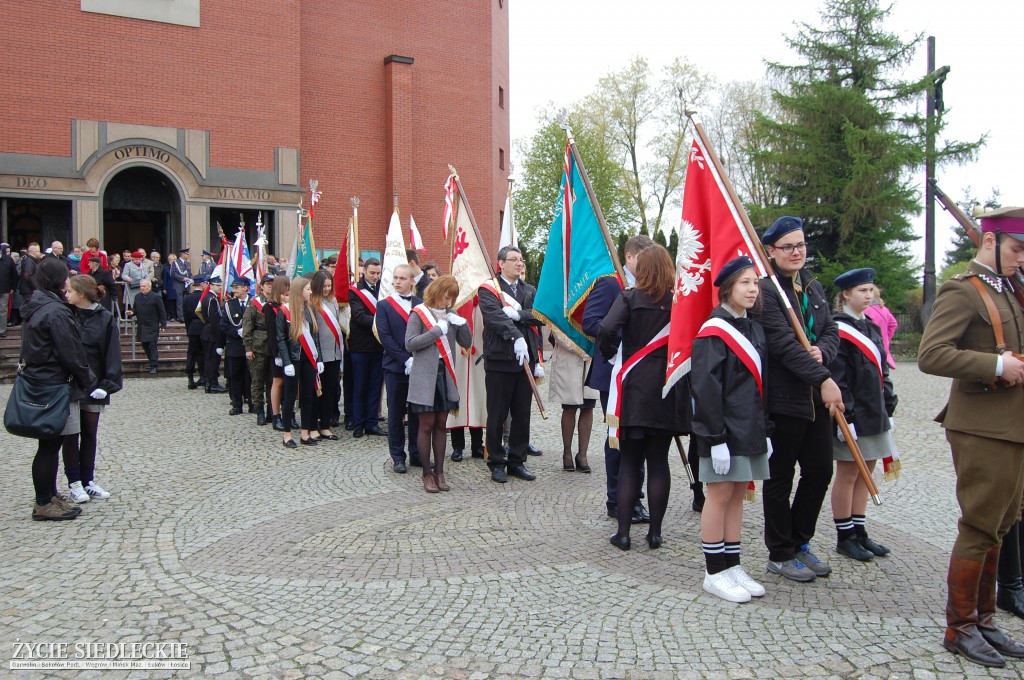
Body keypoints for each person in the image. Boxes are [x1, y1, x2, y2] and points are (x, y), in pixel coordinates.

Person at [918, 206, 1024, 668]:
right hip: (982, 427)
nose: (1021, 258)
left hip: (1013, 426)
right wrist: (996, 365)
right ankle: (959, 626)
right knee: (979, 527)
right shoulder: (963, 291)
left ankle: (983, 619)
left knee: (1001, 525)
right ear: (990, 242)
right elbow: (931, 354)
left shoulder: (1010, 290)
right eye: (1016, 248)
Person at [750, 216, 844, 583]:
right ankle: (780, 551)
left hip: (816, 399)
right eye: (788, 247)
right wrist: (821, 375)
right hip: (784, 399)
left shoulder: (812, 286)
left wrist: (823, 352)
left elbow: (833, 328)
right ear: (771, 251)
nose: (797, 252)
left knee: (821, 470)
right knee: (779, 477)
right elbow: (782, 345)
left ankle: (800, 540)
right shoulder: (766, 291)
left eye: (801, 245)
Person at [598, 245, 691, 551]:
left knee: (629, 462)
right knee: (659, 462)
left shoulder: (629, 297)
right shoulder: (678, 302)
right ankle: (655, 533)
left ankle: (623, 534)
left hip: (635, 389)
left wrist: (610, 353)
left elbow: (607, 327)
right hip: (666, 389)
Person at [691, 256, 772, 602]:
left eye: (755, 283)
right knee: (720, 494)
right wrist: (714, 439)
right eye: (745, 283)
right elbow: (706, 389)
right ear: (727, 289)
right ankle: (714, 570)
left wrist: (765, 430)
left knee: (738, 494)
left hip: (750, 427)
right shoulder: (714, 331)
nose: (753, 289)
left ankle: (732, 563)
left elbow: (758, 385)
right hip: (722, 431)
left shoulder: (753, 326)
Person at [581, 235, 655, 523]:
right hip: (613, 372)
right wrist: (628, 335)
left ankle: (635, 496)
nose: (648, 265)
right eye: (644, 259)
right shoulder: (610, 283)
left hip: (641, 374)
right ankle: (617, 499)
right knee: (619, 437)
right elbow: (591, 322)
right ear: (629, 257)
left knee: (639, 437)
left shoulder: (648, 287)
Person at [828, 268, 899, 562]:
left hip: (875, 411)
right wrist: (849, 417)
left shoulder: (870, 326)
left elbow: (882, 369)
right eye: (862, 291)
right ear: (846, 294)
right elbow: (839, 377)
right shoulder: (838, 328)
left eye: (871, 290)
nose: (869, 296)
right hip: (853, 415)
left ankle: (860, 530)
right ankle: (845, 536)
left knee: (866, 472)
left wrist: (889, 405)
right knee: (848, 474)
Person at [22, 257, 98, 520]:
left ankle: (49, 495)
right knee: (49, 443)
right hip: (53, 383)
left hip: (42, 379)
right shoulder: (55, 310)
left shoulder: (39, 305)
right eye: (65, 276)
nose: (68, 281)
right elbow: (70, 351)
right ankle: (43, 502)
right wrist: (87, 379)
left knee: (50, 443)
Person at [479, 246, 543, 483]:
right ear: (501, 263)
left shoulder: (529, 289)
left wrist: (520, 316)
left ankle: (517, 460)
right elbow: (494, 317)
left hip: (524, 361)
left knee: (521, 414)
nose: (519, 263)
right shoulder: (490, 289)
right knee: (497, 414)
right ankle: (496, 461)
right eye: (514, 259)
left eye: (521, 260)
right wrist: (515, 336)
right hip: (499, 359)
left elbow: (539, 314)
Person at [406, 275, 473, 492]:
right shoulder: (419, 313)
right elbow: (410, 344)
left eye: (451, 299)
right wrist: (436, 331)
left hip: (445, 375)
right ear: (436, 292)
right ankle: (427, 474)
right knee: (426, 425)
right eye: (445, 298)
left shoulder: (451, 314)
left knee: (441, 426)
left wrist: (462, 325)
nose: (447, 303)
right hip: (425, 376)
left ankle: (440, 472)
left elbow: (467, 343)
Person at [61, 275, 122, 503]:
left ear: (82, 293)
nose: (66, 294)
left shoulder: (105, 318)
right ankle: (74, 482)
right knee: (70, 434)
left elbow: (112, 353)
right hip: (70, 383)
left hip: (94, 384)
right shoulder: (66, 314)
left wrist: (108, 385)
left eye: (69, 291)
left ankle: (88, 480)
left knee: (89, 433)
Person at [375, 264, 422, 472]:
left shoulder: (420, 304)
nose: (397, 282)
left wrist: (416, 360)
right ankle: (398, 456)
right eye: (395, 278)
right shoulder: (385, 305)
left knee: (416, 413)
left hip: (418, 368)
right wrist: (405, 359)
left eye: (402, 278)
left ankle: (417, 453)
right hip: (395, 368)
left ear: (411, 281)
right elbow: (385, 337)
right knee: (395, 414)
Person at [277, 277, 323, 447]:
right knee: (289, 396)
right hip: (293, 358)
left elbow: (315, 336)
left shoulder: (309, 310)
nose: (311, 292)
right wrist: (286, 362)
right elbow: (280, 339)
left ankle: (305, 432)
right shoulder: (284, 311)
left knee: (308, 395)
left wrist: (318, 359)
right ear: (299, 291)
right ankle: (287, 434)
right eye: (308, 289)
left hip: (309, 358)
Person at [547, 332, 597, 473]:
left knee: (588, 407)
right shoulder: (561, 308)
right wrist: (579, 346)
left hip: (590, 358)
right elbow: (556, 330)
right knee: (570, 407)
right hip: (569, 357)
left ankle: (582, 455)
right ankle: (567, 453)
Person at [348, 257, 385, 438]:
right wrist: (382, 323)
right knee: (360, 386)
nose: (375, 277)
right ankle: (358, 423)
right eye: (372, 273)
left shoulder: (383, 289)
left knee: (375, 387)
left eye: (378, 273)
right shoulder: (355, 291)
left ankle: (372, 422)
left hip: (378, 347)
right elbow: (358, 316)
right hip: (360, 346)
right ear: (364, 272)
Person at [309, 271, 342, 440]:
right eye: (324, 286)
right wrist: (317, 356)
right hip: (318, 355)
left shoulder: (333, 301)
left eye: (330, 286)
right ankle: (313, 425)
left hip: (334, 353)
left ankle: (326, 426)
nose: (327, 289)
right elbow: (312, 332)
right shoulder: (311, 304)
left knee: (330, 391)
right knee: (316, 392)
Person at [243, 274, 274, 425]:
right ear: (261, 286)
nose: (270, 286)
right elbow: (247, 326)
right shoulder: (254, 303)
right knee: (257, 381)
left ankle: (271, 410)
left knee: (272, 381)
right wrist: (248, 348)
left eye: (272, 283)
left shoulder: (277, 301)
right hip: (258, 346)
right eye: (267, 284)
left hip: (273, 347)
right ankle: (259, 410)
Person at [219, 277, 252, 415]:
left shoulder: (254, 302)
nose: (235, 289)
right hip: (235, 345)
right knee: (235, 376)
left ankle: (253, 403)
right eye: (234, 287)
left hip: (251, 346)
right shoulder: (229, 304)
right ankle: (237, 404)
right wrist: (236, 332)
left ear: (246, 288)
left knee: (251, 377)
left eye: (238, 287)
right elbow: (224, 325)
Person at [265, 276, 290, 430]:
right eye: (285, 293)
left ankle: (290, 414)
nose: (287, 296)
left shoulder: (291, 306)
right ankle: (276, 415)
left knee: (291, 384)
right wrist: (278, 355)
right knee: (278, 382)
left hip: (290, 349)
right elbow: (272, 333)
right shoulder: (269, 308)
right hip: (276, 351)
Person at [128, 278, 166, 374]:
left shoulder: (156, 297)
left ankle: (154, 365)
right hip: (142, 325)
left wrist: (163, 324)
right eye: (141, 286)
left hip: (152, 325)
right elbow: (135, 309)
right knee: (145, 345)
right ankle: (151, 362)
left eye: (144, 286)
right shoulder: (137, 297)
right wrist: (131, 312)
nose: (142, 288)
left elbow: (162, 311)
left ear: (149, 287)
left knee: (152, 345)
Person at [199, 274, 227, 393]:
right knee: (213, 360)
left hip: (208, 332)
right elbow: (213, 318)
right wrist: (220, 335)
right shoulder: (211, 299)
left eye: (220, 285)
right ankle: (212, 383)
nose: (220, 287)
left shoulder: (210, 298)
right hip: (211, 333)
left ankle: (208, 382)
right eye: (217, 285)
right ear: (211, 286)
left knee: (209, 359)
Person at [863, 288, 898, 369]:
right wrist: (886, 337)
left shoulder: (864, 310)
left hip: (870, 346)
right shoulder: (884, 309)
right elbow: (893, 324)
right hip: (883, 345)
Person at [182, 279, 205, 389]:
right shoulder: (205, 297)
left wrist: (188, 330)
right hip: (204, 327)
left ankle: (190, 378)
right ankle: (203, 376)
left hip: (192, 328)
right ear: (202, 284)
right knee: (204, 353)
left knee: (192, 353)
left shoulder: (187, 298)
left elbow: (185, 317)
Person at [0, 242, 19, 337]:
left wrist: (13, 288)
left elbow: (15, 275)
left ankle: (2, 330)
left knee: (3, 310)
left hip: (4, 289)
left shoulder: (8, 260)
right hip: (5, 288)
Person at [169, 247, 193, 322]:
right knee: (180, 302)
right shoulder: (175, 263)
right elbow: (173, 274)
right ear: (182, 254)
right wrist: (183, 278)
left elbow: (189, 273)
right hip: (179, 285)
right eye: (187, 254)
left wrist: (191, 279)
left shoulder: (188, 263)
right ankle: (181, 317)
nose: (188, 255)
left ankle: (186, 316)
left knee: (186, 301)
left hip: (187, 285)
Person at [19, 242, 42, 311]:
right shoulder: (29, 261)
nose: (40, 253)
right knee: (30, 310)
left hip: (30, 290)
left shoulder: (33, 260)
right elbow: (28, 275)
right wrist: (37, 287)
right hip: (29, 291)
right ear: (34, 252)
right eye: (39, 251)